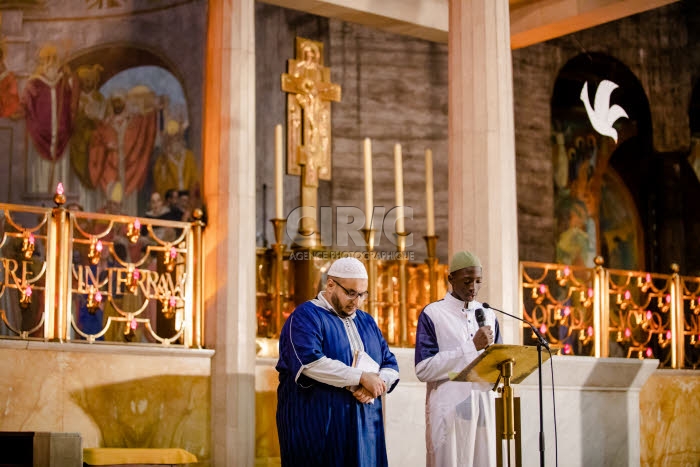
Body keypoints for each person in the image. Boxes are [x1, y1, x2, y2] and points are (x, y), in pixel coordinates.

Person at [276, 256, 399, 467]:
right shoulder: (305, 316)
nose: (357, 301)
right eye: (350, 293)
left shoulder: (367, 321)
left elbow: (390, 364)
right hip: (318, 425)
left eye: (362, 295)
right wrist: (361, 377)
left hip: (364, 427)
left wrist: (377, 384)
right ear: (330, 284)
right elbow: (311, 363)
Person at [414, 250, 502, 467]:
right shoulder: (433, 314)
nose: (473, 287)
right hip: (449, 408)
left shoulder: (489, 314)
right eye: (467, 281)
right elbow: (423, 369)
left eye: (478, 281)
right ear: (450, 278)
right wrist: (470, 348)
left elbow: (499, 362)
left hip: (484, 408)